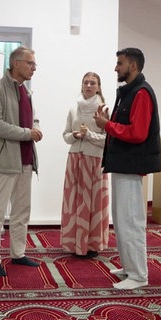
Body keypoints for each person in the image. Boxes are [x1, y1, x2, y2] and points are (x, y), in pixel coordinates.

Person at [93, 47, 161, 290]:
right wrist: (108, 123)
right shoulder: (129, 92)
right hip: (122, 164)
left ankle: (139, 276)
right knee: (121, 220)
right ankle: (130, 268)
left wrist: (107, 125)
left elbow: (137, 133)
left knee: (130, 221)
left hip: (130, 166)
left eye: (119, 63)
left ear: (133, 66)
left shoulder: (141, 93)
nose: (115, 68)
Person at [0, 46, 43, 277]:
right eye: (30, 63)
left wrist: (35, 128)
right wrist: (28, 133)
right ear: (16, 63)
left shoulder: (26, 92)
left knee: (21, 211)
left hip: (26, 161)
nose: (34, 68)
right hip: (4, 162)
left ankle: (18, 254)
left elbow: (33, 119)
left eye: (34, 64)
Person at [60, 72, 109, 259]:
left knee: (94, 203)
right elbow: (65, 135)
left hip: (95, 160)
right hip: (74, 158)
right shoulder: (74, 109)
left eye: (93, 83)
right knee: (74, 201)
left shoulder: (104, 109)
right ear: (82, 85)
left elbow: (108, 140)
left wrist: (88, 135)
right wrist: (74, 135)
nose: (88, 85)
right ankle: (74, 243)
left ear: (98, 87)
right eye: (86, 82)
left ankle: (93, 244)